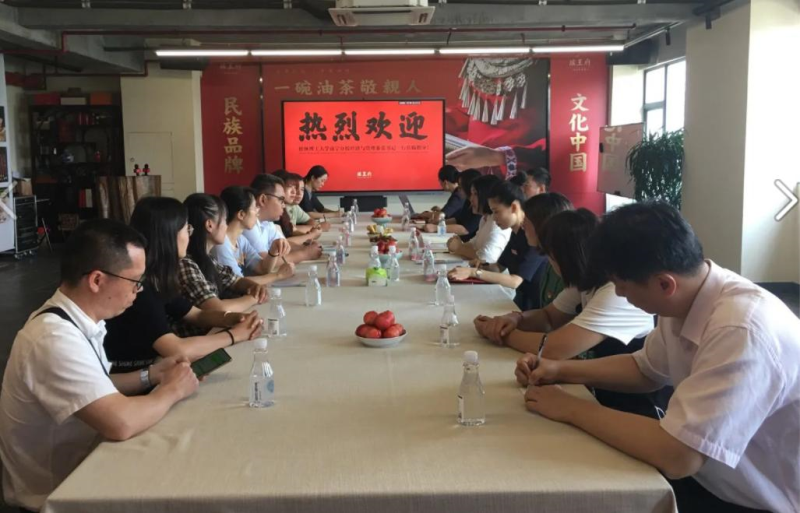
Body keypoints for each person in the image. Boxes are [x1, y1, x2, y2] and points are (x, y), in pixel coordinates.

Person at [518, 202, 800, 513]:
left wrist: (570, 407)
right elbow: (645, 370)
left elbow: (679, 456)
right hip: (711, 478)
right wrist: (559, 370)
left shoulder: (741, 329)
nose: (620, 295)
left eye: (622, 287)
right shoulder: (685, 298)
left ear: (665, 284)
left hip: (755, 500)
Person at [0, 219, 199, 512]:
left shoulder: (75, 319)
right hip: (61, 495)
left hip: (88, 464)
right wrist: (173, 390)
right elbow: (121, 422)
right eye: (135, 281)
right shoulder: (53, 338)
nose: (138, 291)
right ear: (96, 280)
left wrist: (152, 375)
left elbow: (95, 385)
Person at [475, 208, 665, 418]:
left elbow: (554, 349)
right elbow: (548, 317)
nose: (550, 264)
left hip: (636, 407)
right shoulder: (587, 281)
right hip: (606, 393)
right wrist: (515, 318)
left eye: (550, 257)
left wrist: (501, 332)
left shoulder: (617, 292)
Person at [104, 197, 264, 372]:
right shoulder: (141, 285)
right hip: (135, 379)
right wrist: (235, 335)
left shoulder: (160, 276)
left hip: (159, 371)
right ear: (169, 235)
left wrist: (232, 319)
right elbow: (177, 349)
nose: (190, 235)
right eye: (187, 229)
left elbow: (197, 315)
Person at [177, 193, 269, 337]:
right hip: (200, 340)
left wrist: (253, 287)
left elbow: (235, 280)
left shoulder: (206, 258)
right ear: (210, 225)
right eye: (225, 220)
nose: (227, 226)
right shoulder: (186, 264)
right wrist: (254, 297)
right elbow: (217, 309)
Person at [448, 180, 547, 310]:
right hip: (521, 300)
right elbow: (498, 267)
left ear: (514, 207)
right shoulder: (515, 232)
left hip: (536, 305)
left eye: (496, 212)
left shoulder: (532, 234)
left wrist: (473, 272)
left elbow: (514, 281)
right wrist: (481, 265)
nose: (494, 218)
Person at [212, 186, 295, 284]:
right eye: (255, 207)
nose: (258, 212)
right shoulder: (221, 245)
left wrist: (273, 251)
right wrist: (278, 275)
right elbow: (237, 283)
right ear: (241, 214)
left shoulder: (241, 239)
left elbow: (262, 268)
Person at [245, 175, 323, 263]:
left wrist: (305, 247)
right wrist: (305, 254)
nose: (283, 205)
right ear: (263, 200)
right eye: (281, 200)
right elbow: (264, 262)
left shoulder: (267, 222)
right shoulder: (249, 226)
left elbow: (284, 244)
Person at [521, 192, 573, 307]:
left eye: (526, 221)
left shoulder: (569, 268)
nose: (522, 226)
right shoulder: (551, 260)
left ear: (542, 224)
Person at [446, 174, 511, 265]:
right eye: (471, 194)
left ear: (487, 195)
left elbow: (487, 259)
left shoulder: (497, 222)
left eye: (475, 194)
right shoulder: (485, 218)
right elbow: (474, 244)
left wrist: (459, 247)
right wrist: (458, 244)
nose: (471, 199)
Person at [423, 169, 482, 239]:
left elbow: (465, 230)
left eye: (460, 186)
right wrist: (438, 223)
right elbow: (457, 220)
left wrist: (436, 228)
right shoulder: (468, 201)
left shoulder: (479, 205)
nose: (458, 189)